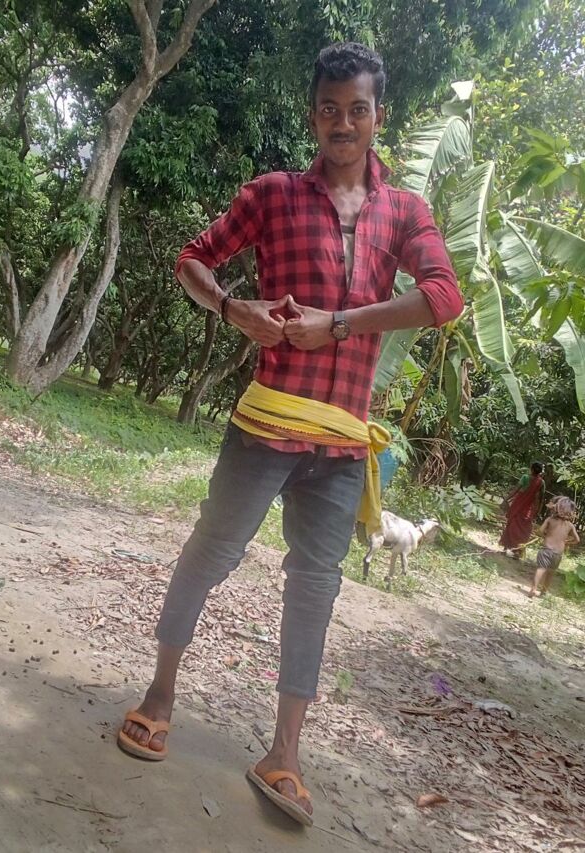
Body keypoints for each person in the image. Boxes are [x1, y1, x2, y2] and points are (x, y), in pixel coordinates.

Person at [117, 42, 463, 825]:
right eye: (329, 109)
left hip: (342, 445)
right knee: (211, 551)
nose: (343, 123)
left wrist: (337, 322)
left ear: (378, 117)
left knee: (315, 585)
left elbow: (444, 297)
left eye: (358, 110)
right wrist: (231, 307)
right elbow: (192, 259)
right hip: (266, 424)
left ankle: (284, 754)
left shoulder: (406, 212)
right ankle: (159, 694)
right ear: (313, 117)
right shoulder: (272, 194)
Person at [529, 497, 579, 597]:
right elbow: (577, 540)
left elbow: (540, 531)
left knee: (541, 569)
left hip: (546, 550)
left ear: (556, 508)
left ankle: (533, 589)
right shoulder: (570, 525)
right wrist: (567, 542)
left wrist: (545, 536)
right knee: (551, 573)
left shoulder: (550, 520)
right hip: (558, 554)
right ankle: (544, 592)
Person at [500, 461, 545, 559]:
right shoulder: (541, 482)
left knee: (511, 526)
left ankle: (506, 548)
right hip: (529, 510)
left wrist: (506, 500)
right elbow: (541, 499)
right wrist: (538, 511)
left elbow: (515, 490)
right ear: (540, 471)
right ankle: (517, 551)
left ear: (531, 469)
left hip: (517, 505)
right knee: (524, 531)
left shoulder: (525, 477)